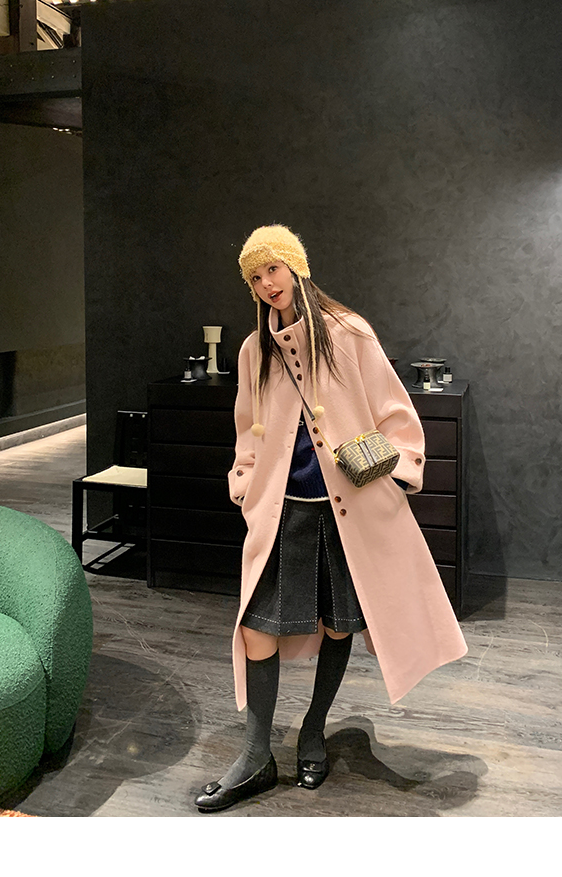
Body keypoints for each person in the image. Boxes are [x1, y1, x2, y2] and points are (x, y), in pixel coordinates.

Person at [194, 225, 467, 813]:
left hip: (347, 516)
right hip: (281, 512)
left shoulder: (349, 333)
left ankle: (314, 730)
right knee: (255, 628)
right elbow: (246, 431)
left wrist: (395, 471)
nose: (267, 284)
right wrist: (244, 484)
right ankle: (256, 754)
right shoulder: (254, 351)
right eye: (255, 276)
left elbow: (397, 415)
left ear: (296, 267)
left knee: (337, 626)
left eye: (273, 269)